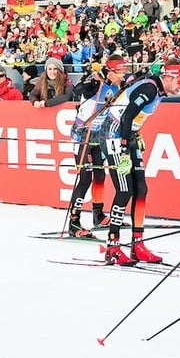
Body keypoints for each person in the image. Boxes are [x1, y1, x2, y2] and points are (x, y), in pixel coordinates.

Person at [101, 59, 180, 265]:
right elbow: (126, 117)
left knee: (141, 189)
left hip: (128, 136)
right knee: (125, 190)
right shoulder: (150, 89)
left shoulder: (158, 90)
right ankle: (112, 246)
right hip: (114, 136)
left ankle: (138, 244)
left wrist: (136, 136)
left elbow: (134, 118)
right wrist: (123, 148)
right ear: (168, 77)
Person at [66, 57, 127, 237]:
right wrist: (93, 78)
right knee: (85, 179)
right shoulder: (95, 85)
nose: (123, 76)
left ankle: (98, 215)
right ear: (110, 72)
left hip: (99, 135)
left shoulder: (118, 86)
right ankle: (74, 222)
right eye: (120, 72)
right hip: (83, 135)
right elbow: (78, 90)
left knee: (100, 175)